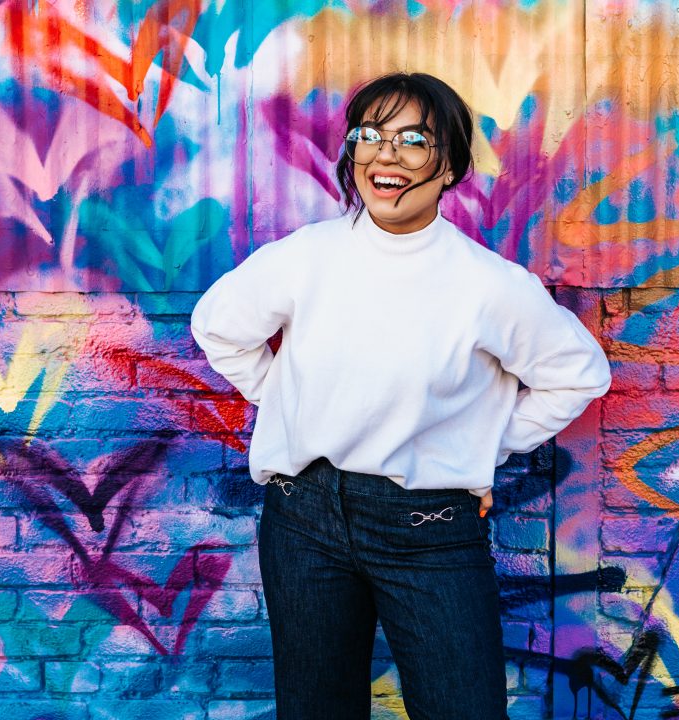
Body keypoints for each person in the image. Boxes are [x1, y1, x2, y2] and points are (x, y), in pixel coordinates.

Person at [191, 72, 611, 720]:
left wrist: (483, 444)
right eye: (370, 136)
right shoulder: (308, 257)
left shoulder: (487, 285)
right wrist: (282, 399)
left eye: (413, 139)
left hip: (431, 530)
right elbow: (219, 327)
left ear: (449, 166)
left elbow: (579, 373)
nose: (386, 155)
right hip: (304, 524)